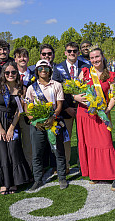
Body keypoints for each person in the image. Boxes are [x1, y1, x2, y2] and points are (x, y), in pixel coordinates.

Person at [75, 47, 115, 191]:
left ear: (102, 57)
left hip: (102, 113)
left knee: (106, 143)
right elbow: (75, 90)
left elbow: (114, 95)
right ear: (89, 59)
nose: (95, 60)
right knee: (89, 144)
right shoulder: (85, 72)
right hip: (85, 113)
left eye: (97, 57)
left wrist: (108, 109)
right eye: (92, 58)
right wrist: (75, 97)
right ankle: (96, 173)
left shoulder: (111, 75)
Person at [0, 62, 32, 195]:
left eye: (13, 72)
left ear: (17, 73)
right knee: (1, 152)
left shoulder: (20, 89)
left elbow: (19, 110)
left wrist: (11, 128)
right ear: (3, 74)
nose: (10, 75)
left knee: (13, 150)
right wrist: (0, 128)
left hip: (12, 122)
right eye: (7, 73)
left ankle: (13, 182)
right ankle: (3, 183)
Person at [25, 60, 68, 191]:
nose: (44, 70)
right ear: (37, 71)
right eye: (41, 68)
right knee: (37, 153)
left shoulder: (57, 85)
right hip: (37, 125)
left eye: (46, 68)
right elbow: (27, 106)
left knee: (58, 151)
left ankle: (62, 177)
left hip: (53, 123)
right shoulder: (31, 88)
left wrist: (52, 117)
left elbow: (59, 104)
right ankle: (38, 180)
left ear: (50, 70)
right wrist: (33, 120)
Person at [53, 42, 91, 174]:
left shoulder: (86, 67)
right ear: (65, 52)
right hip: (66, 109)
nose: (72, 53)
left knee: (83, 138)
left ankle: (84, 164)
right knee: (66, 139)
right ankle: (66, 164)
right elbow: (56, 91)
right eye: (69, 51)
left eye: (75, 51)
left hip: (84, 108)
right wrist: (66, 107)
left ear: (79, 52)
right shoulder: (58, 68)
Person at [14, 47, 34, 170]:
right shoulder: (10, 74)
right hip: (13, 114)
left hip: (28, 114)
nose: (22, 58)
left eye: (25, 56)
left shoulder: (34, 75)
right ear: (15, 59)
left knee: (28, 144)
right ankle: (17, 171)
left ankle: (29, 169)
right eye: (19, 56)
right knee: (14, 144)